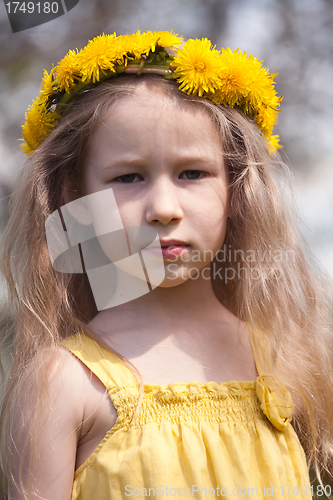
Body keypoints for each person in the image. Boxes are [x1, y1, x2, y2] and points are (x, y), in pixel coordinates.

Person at [0, 30, 332, 500]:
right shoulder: (65, 382)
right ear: (77, 194)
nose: (163, 207)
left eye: (192, 173)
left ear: (237, 186)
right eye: (128, 176)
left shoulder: (290, 361)